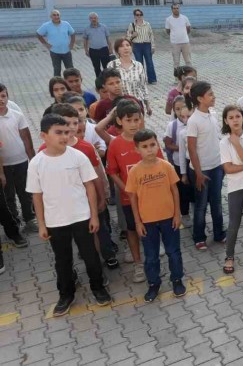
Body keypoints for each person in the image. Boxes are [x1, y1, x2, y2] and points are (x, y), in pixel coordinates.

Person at [26, 114, 111, 316]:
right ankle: (66, 294)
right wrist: (42, 224)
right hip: (55, 221)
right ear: (43, 136)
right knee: (62, 260)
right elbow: (37, 196)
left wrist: (94, 216)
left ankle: (98, 287)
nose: (64, 136)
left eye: (66, 132)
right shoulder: (36, 163)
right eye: (58, 132)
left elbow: (89, 186)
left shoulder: (77, 156)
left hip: (82, 217)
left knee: (91, 256)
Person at [126, 129, 186, 302]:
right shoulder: (134, 172)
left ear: (158, 145)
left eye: (152, 145)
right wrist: (138, 222)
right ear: (137, 149)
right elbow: (132, 198)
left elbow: (174, 190)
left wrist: (177, 214)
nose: (150, 149)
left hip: (169, 218)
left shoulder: (166, 166)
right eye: (144, 146)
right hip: (147, 222)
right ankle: (153, 283)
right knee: (151, 256)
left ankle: (177, 279)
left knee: (173, 252)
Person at [102, 100, 158, 282]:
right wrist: (126, 189)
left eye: (136, 119)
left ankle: (153, 262)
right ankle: (138, 264)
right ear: (119, 121)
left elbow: (161, 164)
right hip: (129, 199)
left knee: (152, 227)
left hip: (151, 196)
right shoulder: (115, 144)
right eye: (129, 120)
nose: (133, 124)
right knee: (132, 230)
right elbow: (112, 171)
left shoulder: (148, 139)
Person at [219, 106, 243, 274]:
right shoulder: (223, 142)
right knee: (233, 223)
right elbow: (228, 169)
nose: (235, 120)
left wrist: (236, 144)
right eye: (231, 117)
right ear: (226, 121)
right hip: (235, 188)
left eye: (237, 116)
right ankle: (229, 256)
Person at [185, 81, 225, 250]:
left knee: (217, 202)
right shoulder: (194, 121)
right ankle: (199, 237)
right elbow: (192, 149)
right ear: (200, 99)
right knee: (201, 205)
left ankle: (219, 233)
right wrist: (199, 173)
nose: (213, 96)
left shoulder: (212, 115)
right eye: (210, 94)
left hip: (216, 167)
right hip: (201, 170)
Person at [0, 83, 36, 231]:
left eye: (3, 96)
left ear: (7, 97)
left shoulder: (17, 115)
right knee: (8, 194)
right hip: (3, 165)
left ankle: (29, 218)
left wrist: (32, 159)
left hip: (20, 161)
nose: (1, 99)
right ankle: (14, 220)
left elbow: (26, 138)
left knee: (25, 191)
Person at [106, 38, 152, 116]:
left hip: (137, 104)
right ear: (117, 50)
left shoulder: (138, 65)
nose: (125, 48)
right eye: (121, 46)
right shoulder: (112, 65)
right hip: (120, 105)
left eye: (127, 45)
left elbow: (143, 86)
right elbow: (108, 86)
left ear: (131, 48)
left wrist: (147, 105)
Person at [164, 96, 192, 221]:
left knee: (193, 187)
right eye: (177, 109)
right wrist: (183, 148)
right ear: (174, 110)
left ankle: (194, 205)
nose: (181, 112)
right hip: (178, 162)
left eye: (183, 107)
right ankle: (184, 213)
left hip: (193, 162)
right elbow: (168, 144)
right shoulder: (172, 125)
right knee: (182, 189)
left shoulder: (193, 122)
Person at [36, 10, 75, 77]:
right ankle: (57, 83)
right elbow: (38, 34)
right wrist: (46, 44)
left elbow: (73, 33)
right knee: (57, 70)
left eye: (58, 15)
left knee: (70, 70)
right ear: (51, 16)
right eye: (54, 15)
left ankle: (70, 82)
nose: (56, 16)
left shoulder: (66, 24)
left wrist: (72, 43)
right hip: (55, 52)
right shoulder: (46, 25)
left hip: (66, 51)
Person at [127, 8, 157, 84]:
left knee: (149, 62)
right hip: (136, 45)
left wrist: (153, 46)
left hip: (147, 44)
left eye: (141, 14)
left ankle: (152, 79)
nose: (139, 16)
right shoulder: (132, 25)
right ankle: (141, 80)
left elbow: (151, 35)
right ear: (134, 16)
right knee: (139, 63)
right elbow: (128, 38)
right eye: (137, 15)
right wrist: (133, 36)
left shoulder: (147, 24)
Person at [81, 12, 112, 77]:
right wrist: (86, 50)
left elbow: (108, 38)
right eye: (91, 18)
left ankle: (107, 79)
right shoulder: (86, 29)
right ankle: (99, 81)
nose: (93, 19)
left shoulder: (104, 27)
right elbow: (85, 40)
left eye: (95, 18)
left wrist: (110, 48)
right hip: (93, 51)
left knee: (106, 67)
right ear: (89, 19)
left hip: (104, 49)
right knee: (96, 67)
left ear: (97, 18)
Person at [165, 4, 192, 68]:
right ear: (172, 10)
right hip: (175, 44)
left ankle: (189, 74)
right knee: (176, 62)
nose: (176, 10)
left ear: (179, 9)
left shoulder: (185, 18)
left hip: (185, 42)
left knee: (188, 61)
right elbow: (168, 31)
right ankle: (176, 75)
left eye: (177, 8)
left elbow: (188, 29)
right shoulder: (168, 19)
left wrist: (183, 35)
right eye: (174, 8)